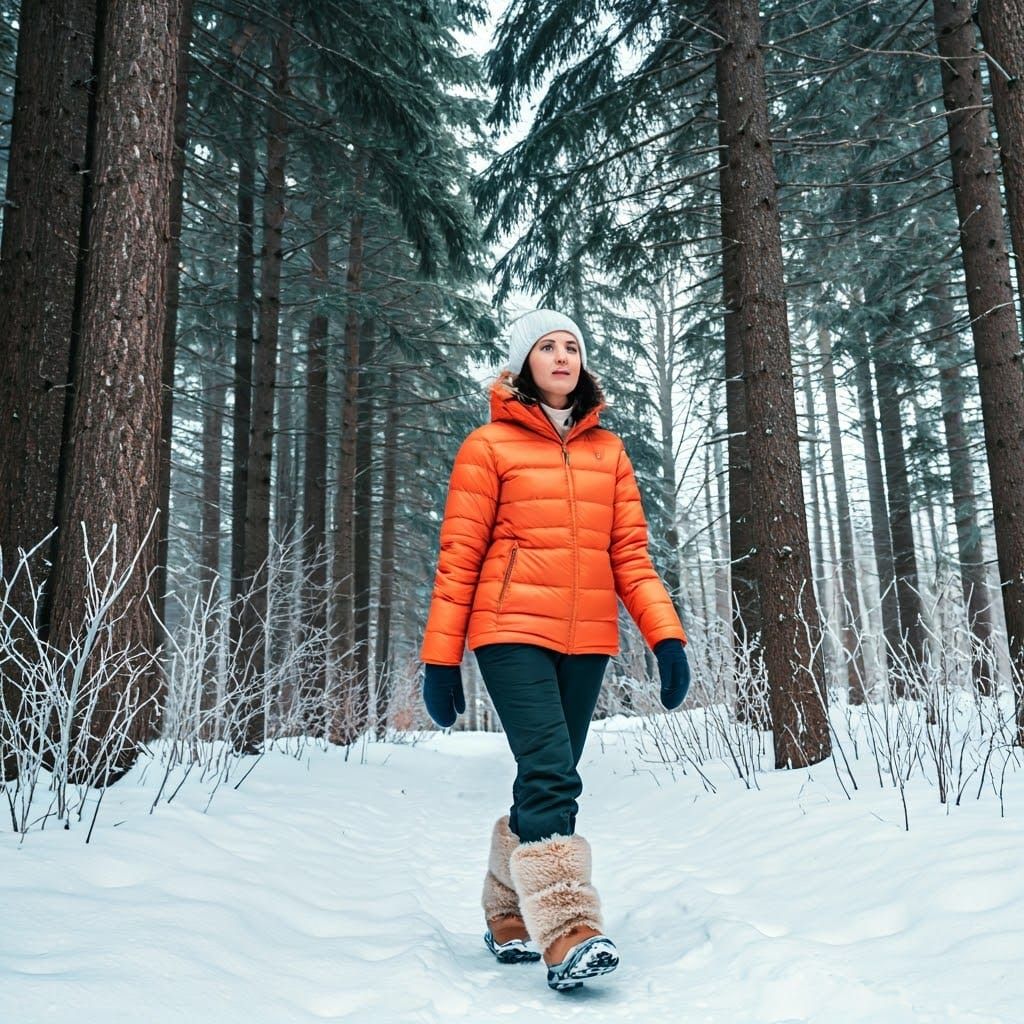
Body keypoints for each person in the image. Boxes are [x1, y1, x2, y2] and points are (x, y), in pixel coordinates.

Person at [419, 309, 691, 992]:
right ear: (523, 364)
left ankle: (507, 909)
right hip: (508, 629)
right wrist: (441, 657)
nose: (563, 355)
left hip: (588, 636)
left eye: (572, 345)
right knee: (551, 773)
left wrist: (666, 636)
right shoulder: (488, 446)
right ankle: (568, 930)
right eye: (548, 346)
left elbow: (630, 555)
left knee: (551, 775)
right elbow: (459, 558)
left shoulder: (610, 452)